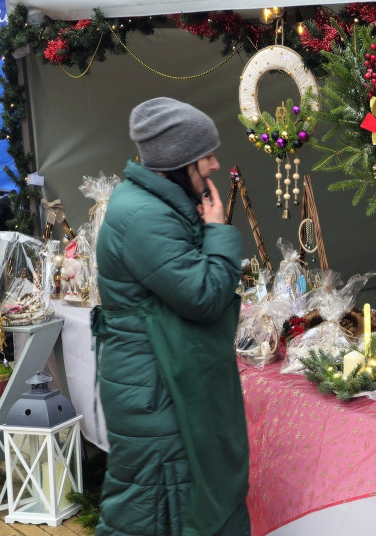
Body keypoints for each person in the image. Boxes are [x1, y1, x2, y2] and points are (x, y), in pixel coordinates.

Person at [93, 97, 249, 536]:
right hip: (157, 390)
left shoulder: (149, 203)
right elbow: (203, 296)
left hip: (152, 382)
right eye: (207, 157)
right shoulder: (145, 217)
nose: (215, 166)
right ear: (179, 163)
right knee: (168, 509)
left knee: (166, 505)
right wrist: (218, 231)